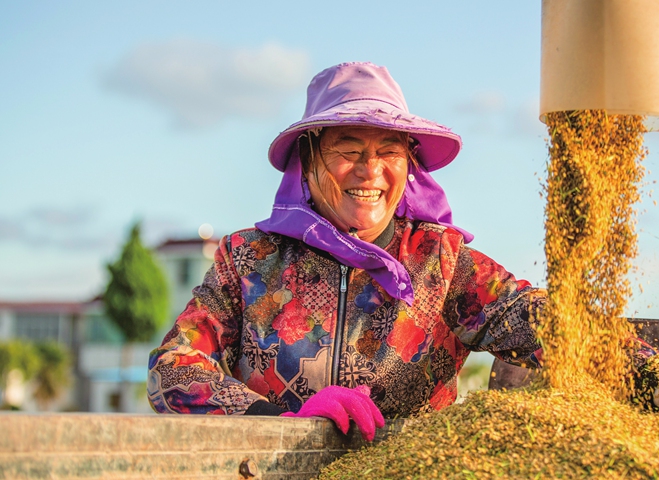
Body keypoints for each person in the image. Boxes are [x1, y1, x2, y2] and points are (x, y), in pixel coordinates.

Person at [147, 61, 548, 440]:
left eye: (389, 151)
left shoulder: (440, 260)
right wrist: (278, 423)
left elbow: (539, 323)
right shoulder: (248, 258)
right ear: (308, 159)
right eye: (348, 150)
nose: (370, 169)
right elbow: (173, 369)